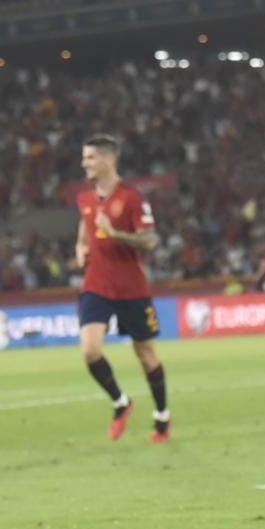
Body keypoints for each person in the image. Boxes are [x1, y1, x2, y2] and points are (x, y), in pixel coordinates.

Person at [74, 135, 170, 442]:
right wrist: (80, 245)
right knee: (90, 350)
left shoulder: (132, 197)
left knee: (145, 354)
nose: (84, 163)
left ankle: (162, 417)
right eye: (84, 158)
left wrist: (115, 234)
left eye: (90, 158)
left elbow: (150, 241)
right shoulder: (85, 199)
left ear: (108, 160)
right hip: (96, 284)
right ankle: (121, 402)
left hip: (130, 287)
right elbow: (85, 224)